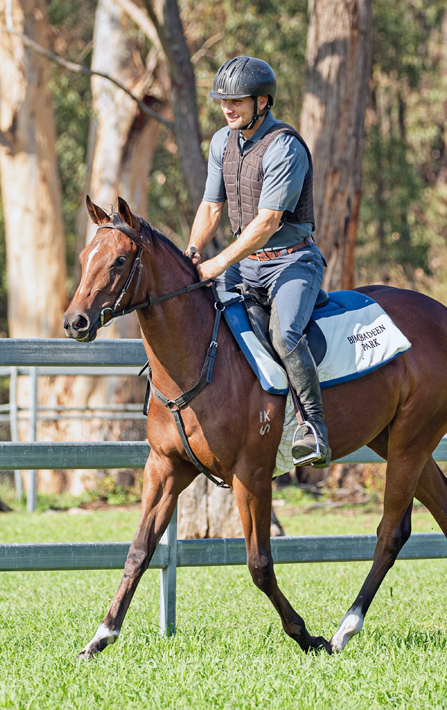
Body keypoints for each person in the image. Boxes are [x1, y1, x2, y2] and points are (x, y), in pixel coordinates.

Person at [185, 56, 331, 468]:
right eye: (222, 101)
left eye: (237, 101)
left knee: (284, 336)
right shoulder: (220, 142)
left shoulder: (285, 146)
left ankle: (313, 429)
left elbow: (267, 223)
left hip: (292, 263)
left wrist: (215, 265)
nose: (227, 108)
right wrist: (193, 251)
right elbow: (212, 206)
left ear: (262, 102)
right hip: (245, 264)